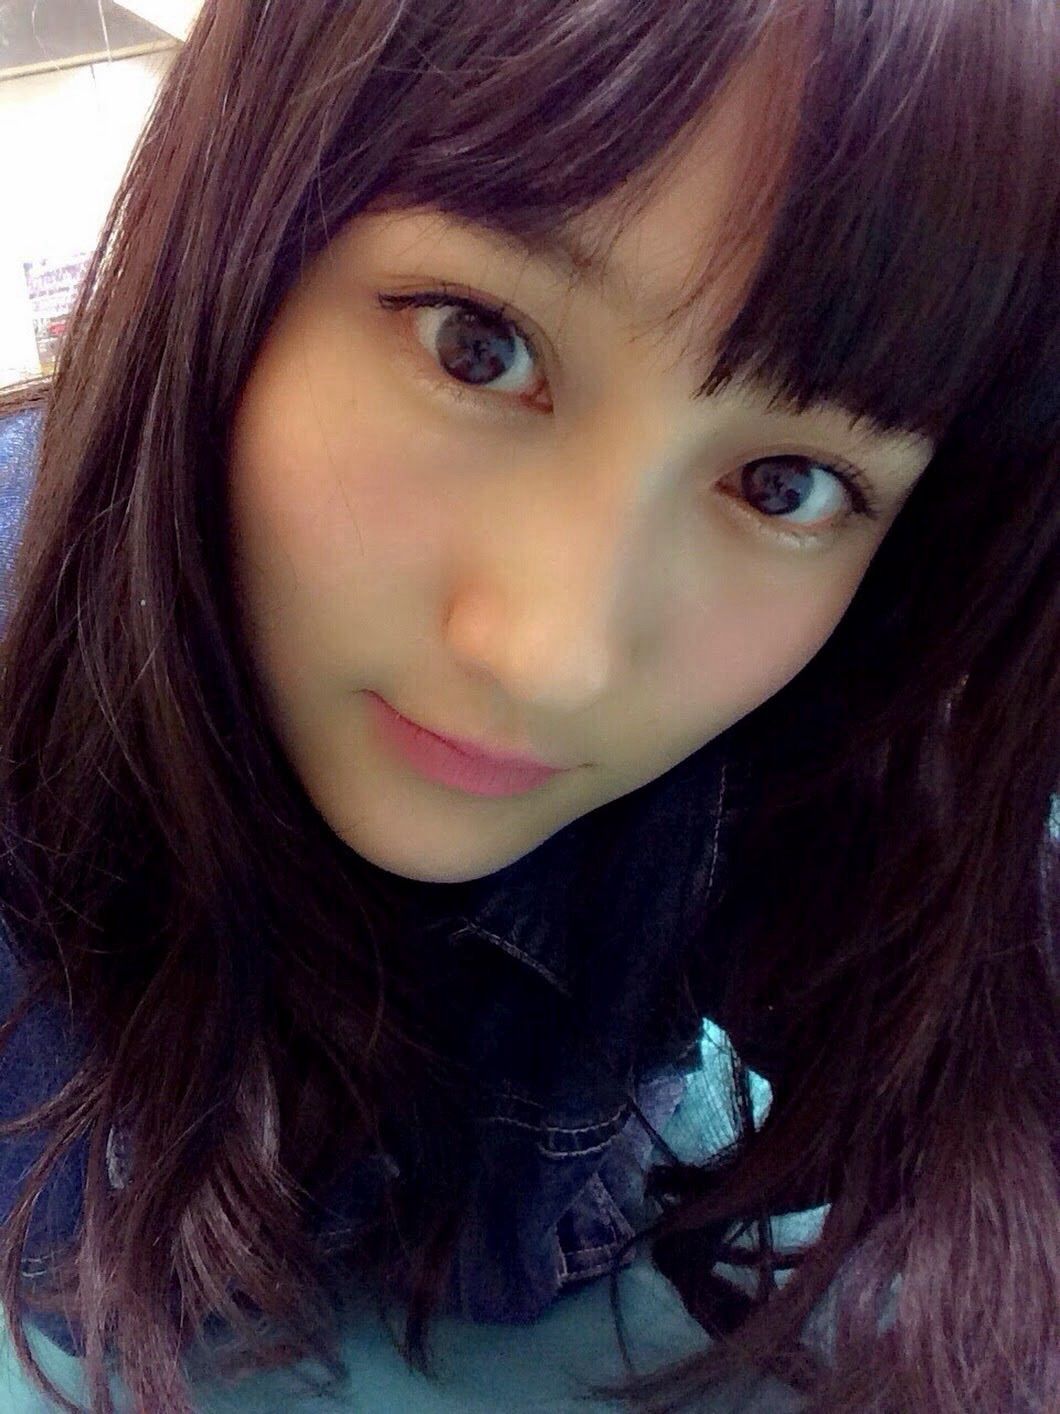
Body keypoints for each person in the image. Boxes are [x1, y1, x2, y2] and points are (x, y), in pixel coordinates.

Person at [0, 1, 1057, 1411]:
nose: (557, 658)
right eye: (477, 345)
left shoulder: (811, 741)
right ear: (241, 239)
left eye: (785, 485)